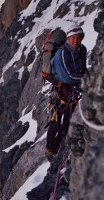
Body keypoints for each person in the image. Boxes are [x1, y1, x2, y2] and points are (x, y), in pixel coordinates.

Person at [44, 24, 87, 160]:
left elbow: (82, 69)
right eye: (73, 38)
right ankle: (50, 149)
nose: (76, 41)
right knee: (56, 122)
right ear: (68, 39)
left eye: (78, 38)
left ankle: (59, 146)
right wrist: (87, 79)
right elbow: (67, 76)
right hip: (60, 92)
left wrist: (85, 77)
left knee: (67, 121)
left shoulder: (83, 50)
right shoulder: (62, 53)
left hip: (72, 92)